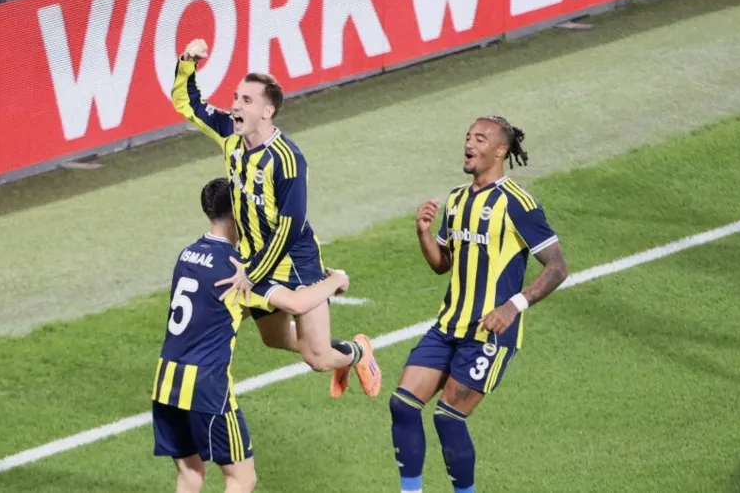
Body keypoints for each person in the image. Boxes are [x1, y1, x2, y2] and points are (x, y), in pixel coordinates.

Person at [171, 38, 383, 400]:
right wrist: (188, 63)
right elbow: (187, 104)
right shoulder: (230, 135)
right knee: (275, 340)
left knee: (317, 358)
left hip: (293, 263)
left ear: (267, 112)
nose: (235, 106)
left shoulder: (287, 159)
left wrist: (251, 273)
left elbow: (290, 227)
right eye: (236, 97)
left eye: (246, 100)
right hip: (253, 261)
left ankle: (358, 353)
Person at [391, 116, 569, 493]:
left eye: (480, 139)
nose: (469, 144)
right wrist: (423, 234)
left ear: (500, 151)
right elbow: (442, 264)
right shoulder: (456, 200)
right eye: (468, 137)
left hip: (489, 334)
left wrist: (513, 306)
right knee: (403, 405)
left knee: (448, 419)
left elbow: (557, 267)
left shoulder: (517, 204)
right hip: (448, 326)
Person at [152, 177, 352, 493]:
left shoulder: (187, 254)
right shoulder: (238, 269)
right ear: (238, 210)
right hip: (206, 386)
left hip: (165, 382)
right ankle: (354, 353)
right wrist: (336, 281)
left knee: (190, 476)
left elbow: (215, 308)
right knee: (242, 479)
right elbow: (297, 303)